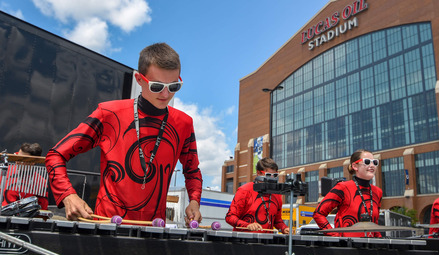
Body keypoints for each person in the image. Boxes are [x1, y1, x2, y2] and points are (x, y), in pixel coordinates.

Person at [45, 43, 203, 224]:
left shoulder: (184, 123)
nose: (166, 94)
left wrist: (194, 201)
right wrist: (68, 195)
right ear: (139, 79)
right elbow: (55, 155)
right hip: (106, 227)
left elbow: (192, 171)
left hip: (154, 230)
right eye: (157, 86)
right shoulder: (108, 114)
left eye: (174, 86)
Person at [313, 149, 383, 237]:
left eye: (375, 162)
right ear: (355, 166)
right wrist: (334, 235)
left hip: (370, 247)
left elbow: (374, 222)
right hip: (346, 247)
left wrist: (380, 240)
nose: (372, 165)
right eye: (367, 162)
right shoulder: (343, 187)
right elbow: (318, 214)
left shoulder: (378, 192)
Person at [225, 157, 289, 234]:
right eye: (268, 175)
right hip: (244, 241)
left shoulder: (277, 195)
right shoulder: (244, 190)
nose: (272, 179)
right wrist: (247, 225)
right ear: (258, 173)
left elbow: (277, 220)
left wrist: (284, 228)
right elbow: (230, 217)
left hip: (267, 242)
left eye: (275, 175)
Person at [2, 143, 49, 210]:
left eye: (21, 159)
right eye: (17, 156)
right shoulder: (3, 171)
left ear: (32, 162)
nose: (17, 161)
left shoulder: (41, 182)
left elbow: (42, 209)